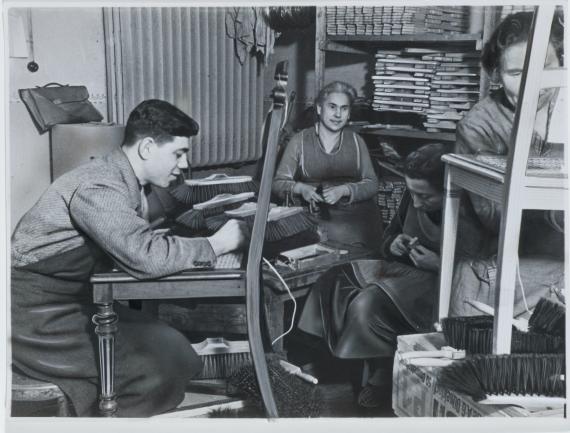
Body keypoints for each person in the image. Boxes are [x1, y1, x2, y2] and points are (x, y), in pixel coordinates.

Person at [10, 99, 247, 417]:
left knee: (174, 348)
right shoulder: (99, 185)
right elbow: (144, 256)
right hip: (33, 315)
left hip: (72, 301)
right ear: (148, 147)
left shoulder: (120, 180)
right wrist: (215, 244)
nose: (183, 165)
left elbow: (135, 243)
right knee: (152, 371)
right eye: (178, 153)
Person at [297, 143, 494, 409]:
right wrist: (393, 244)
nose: (416, 203)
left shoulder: (472, 211)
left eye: (425, 197)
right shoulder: (411, 199)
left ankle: (382, 376)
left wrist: (440, 264)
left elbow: (483, 272)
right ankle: (327, 364)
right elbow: (389, 236)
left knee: (369, 301)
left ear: (449, 190)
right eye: (412, 193)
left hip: (445, 284)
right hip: (405, 271)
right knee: (334, 278)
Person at [452, 10, 565, 316]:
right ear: (497, 75)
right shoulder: (478, 127)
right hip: (493, 275)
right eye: (516, 74)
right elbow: (494, 215)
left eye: (545, 69)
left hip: (555, 271)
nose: (533, 85)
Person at [272, 81, 383, 251]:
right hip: (313, 214)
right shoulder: (299, 141)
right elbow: (278, 183)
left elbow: (372, 183)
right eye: (332, 107)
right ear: (319, 108)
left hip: (354, 216)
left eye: (344, 108)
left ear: (349, 114)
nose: (338, 114)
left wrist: (344, 190)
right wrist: (301, 189)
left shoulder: (356, 141)